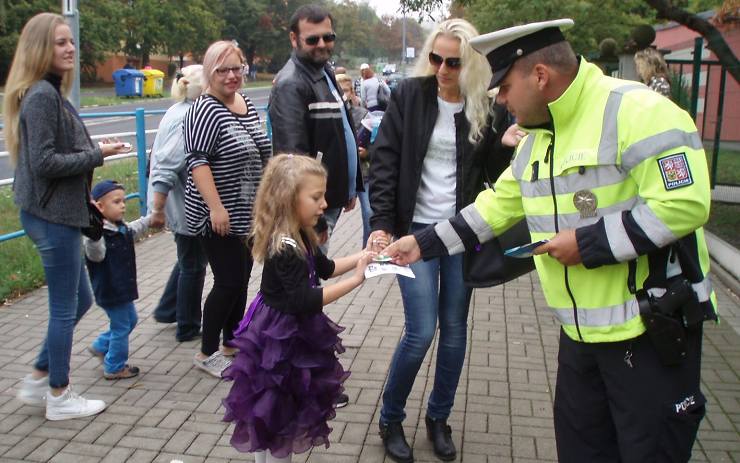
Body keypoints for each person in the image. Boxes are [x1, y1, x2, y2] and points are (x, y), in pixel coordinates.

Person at [382, 19, 717, 463]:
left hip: (649, 332)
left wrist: (588, 243)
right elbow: (493, 209)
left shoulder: (638, 111)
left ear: (540, 77)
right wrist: (420, 245)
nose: (499, 100)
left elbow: (685, 205)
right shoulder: (535, 141)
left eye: (503, 88)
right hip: (578, 338)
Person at [368, 18, 516, 463]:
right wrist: (381, 223)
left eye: (454, 61)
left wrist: (504, 144)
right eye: (436, 58)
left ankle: (438, 417)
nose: (443, 69)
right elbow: (385, 162)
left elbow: (489, 173)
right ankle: (391, 418)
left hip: (461, 233)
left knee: (454, 333)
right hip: (413, 234)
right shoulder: (410, 96)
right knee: (421, 331)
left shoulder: (484, 106)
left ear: (470, 64)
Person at [4, 12, 129, 420]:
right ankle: (59, 394)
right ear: (41, 48)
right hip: (50, 217)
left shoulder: (49, 92)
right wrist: (99, 155)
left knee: (82, 299)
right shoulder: (41, 95)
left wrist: (94, 155)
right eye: (60, 42)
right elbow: (43, 163)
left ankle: (41, 374)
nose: (70, 48)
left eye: (70, 41)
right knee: (63, 307)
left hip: (56, 212)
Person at [222, 154, 375, 463]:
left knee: (276, 411)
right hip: (280, 337)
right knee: (278, 412)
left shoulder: (302, 234)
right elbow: (303, 300)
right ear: (289, 199)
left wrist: (364, 256)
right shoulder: (284, 247)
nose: (324, 203)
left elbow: (326, 267)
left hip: (286, 327)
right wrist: (358, 279)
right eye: (316, 197)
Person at [184, 40, 271, 378]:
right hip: (217, 215)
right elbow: (198, 161)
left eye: (238, 68)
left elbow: (261, 150)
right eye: (223, 70)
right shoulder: (205, 108)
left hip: (247, 211)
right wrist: (216, 208)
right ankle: (206, 352)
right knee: (228, 280)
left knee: (242, 278)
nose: (232, 76)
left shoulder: (244, 102)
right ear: (210, 72)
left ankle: (232, 342)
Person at [269, 4, 363, 248]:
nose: (322, 44)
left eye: (328, 37)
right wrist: (315, 218)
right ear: (294, 39)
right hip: (311, 210)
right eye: (312, 39)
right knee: (308, 277)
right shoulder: (291, 84)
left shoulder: (324, 72)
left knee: (314, 274)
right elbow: (292, 157)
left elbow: (342, 130)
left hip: (325, 201)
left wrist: (351, 185)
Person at [147, 65, 208, 342]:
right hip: (186, 207)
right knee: (193, 265)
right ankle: (187, 326)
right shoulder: (189, 117)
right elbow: (166, 165)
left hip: (182, 204)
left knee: (188, 261)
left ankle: (167, 308)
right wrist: (157, 209)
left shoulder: (178, 110)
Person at [85, 180, 151, 380]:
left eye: (123, 201)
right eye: (116, 202)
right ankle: (114, 366)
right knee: (122, 326)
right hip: (111, 289)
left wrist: (150, 218)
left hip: (122, 287)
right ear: (99, 207)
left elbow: (134, 229)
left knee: (129, 320)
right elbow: (95, 254)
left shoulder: (119, 227)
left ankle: (100, 346)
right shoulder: (97, 235)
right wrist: (94, 234)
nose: (123, 205)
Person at [335, 73, 371, 246]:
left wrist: (366, 152)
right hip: (337, 174)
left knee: (370, 213)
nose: (344, 94)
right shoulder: (330, 115)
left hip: (363, 173)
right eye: (340, 91)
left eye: (347, 91)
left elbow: (375, 144)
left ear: (352, 92)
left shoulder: (363, 114)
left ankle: (367, 254)